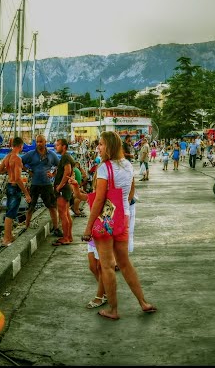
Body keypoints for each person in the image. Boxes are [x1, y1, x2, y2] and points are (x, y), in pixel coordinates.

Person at [81, 131, 155, 320]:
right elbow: (130, 193)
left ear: (110, 147)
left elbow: (99, 200)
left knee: (106, 266)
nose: (99, 147)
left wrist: (89, 226)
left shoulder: (104, 168)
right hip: (123, 217)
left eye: (102, 144)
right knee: (124, 263)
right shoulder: (128, 165)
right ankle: (143, 302)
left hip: (106, 220)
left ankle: (113, 310)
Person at [21, 135, 61, 236]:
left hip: (47, 185)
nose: (39, 144)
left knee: (52, 207)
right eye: (37, 142)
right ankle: (26, 227)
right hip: (34, 184)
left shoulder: (51, 154)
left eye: (41, 142)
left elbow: (59, 165)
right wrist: (28, 170)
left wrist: (53, 174)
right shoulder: (30, 154)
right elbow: (20, 162)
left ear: (45, 142)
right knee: (31, 207)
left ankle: (56, 228)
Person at [0, 136, 31, 246]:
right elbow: (17, 178)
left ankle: (9, 235)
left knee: (10, 211)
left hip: (9, 186)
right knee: (11, 213)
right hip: (15, 187)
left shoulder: (8, 157)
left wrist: (9, 169)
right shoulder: (17, 159)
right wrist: (26, 193)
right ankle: (6, 239)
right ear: (21, 146)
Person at [52, 138, 75, 245]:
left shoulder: (65, 156)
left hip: (63, 189)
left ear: (64, 146)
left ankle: (65, 238)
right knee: (66, 214)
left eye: (58, 145)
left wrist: (59, 186)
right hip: (66, 188)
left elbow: (68, 171)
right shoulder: (66, 157)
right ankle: (69, 236)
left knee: (63, 214)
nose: (56, 147)